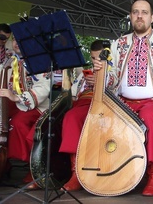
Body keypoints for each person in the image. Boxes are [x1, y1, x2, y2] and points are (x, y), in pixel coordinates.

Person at [92, 0, 153, 196]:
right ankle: (109, 170)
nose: (139, 16)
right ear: (130, 16)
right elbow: (111, 79)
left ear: (152, 17)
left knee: (151, 117)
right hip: (123, 103)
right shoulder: (118, 44)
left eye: (144, 12)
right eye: (135, 12)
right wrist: (101, 72)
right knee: (99, 120)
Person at [0, 34, 51, 189]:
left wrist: (16, 98)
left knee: (18, 123)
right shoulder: (8, 60)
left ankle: (27, 169)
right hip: (12, 104)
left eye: (21, 39)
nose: (17, 43)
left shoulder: (39, 61)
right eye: (14, 39)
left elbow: (44, 88)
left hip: (36, 106)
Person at [58, 39, 104, 191]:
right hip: (81, 104)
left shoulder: (113, 70)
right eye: (93, 57)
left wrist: (99, 81)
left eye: (100, 57)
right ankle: (73, 172)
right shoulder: (84, 74)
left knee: (72, 117)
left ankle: (80, 173)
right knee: (65, 117)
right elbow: (73, 96)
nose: (96, 61)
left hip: (100, 104)